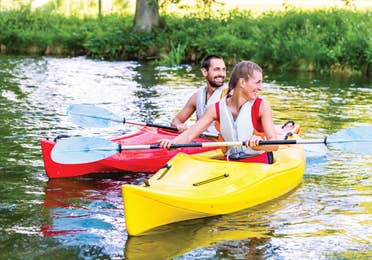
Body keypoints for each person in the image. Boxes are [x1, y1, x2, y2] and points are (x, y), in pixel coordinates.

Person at [161, 60, 278, 164]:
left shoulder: (262, 106)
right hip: (230, 162)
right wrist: (172, 143)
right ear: (242, 83)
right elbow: (191, 133)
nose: (261, 87)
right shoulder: (215, 109)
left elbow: (274, 144)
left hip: (259, 162)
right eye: (257, 82)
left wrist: (260, 143)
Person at [171, 54, 228, 136]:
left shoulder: (230, 95)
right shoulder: (197, 97)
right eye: (217, 69)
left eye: (224, 70)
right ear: (204, 72)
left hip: (222, 145)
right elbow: (176, 120)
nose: (222, 74)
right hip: (201, 142)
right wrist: (179, 125)